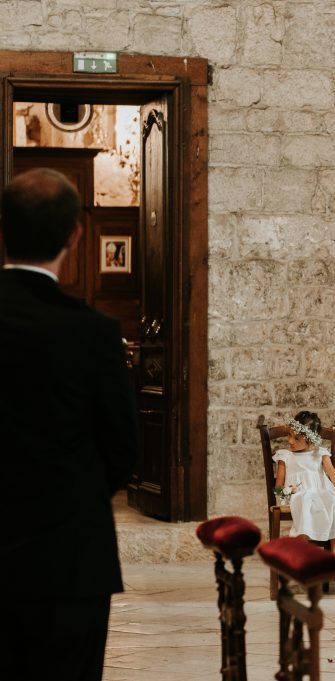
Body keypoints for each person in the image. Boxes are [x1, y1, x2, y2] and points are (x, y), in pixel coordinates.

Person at [0, 168, 138, 680]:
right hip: (69, 557)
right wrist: (72, 496)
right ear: (76, 235)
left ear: (2, 229)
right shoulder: (94, 333)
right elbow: (123, 447)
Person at [273, 410, 335, 569]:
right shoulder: (285, 455)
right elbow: (278, 487)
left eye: (297, 438)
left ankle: (334, 554)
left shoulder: (320, 453)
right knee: (306, 502)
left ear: (310, 441)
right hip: (298, 494)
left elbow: (334, 477)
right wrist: (287, 492)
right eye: (289, 435)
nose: (291, 441)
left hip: (322, 493)